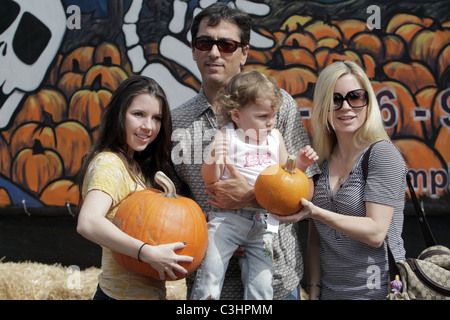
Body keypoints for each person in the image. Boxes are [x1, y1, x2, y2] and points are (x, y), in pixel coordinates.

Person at [170, 2, 320, 300]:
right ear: (193, 50)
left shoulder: (279, 105)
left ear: (244, 52)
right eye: (204, 43)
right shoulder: (178, 122)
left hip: (275, 279)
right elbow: (169, 202)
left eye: (226, 44)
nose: (214, 52)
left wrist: (251, 199)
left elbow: (306, 191)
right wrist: (213, 230)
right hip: (213, 285)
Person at [275, 61, 407, 299]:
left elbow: (376, 232)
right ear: (323, 108)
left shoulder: (382, 154)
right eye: (335, 99)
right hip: (330, 293)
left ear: (368, 102)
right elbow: (316, 238)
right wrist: (314, 288)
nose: (346, 106)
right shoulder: (322, 159)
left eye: (355, 97)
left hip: (378, 292)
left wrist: (315, 212)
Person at [190, 70, 318, 300]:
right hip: (227, 219)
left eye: (273, 115)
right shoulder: (226, 136)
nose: (271, 122)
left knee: (262, 281)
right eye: (262, 116)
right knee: (211, 269)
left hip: (264, 224)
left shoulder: (275, 138)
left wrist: (301, 164)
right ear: (237, 116)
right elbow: (210, 179)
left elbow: (285, 177)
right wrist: (213, 160)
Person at [76, 75, 194, 300]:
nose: (148, 126)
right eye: (138, 114)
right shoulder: (109, 163)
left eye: (156, 118)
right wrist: (147, 253)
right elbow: (88, 222)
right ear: (119, 114)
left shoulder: (138, 167)